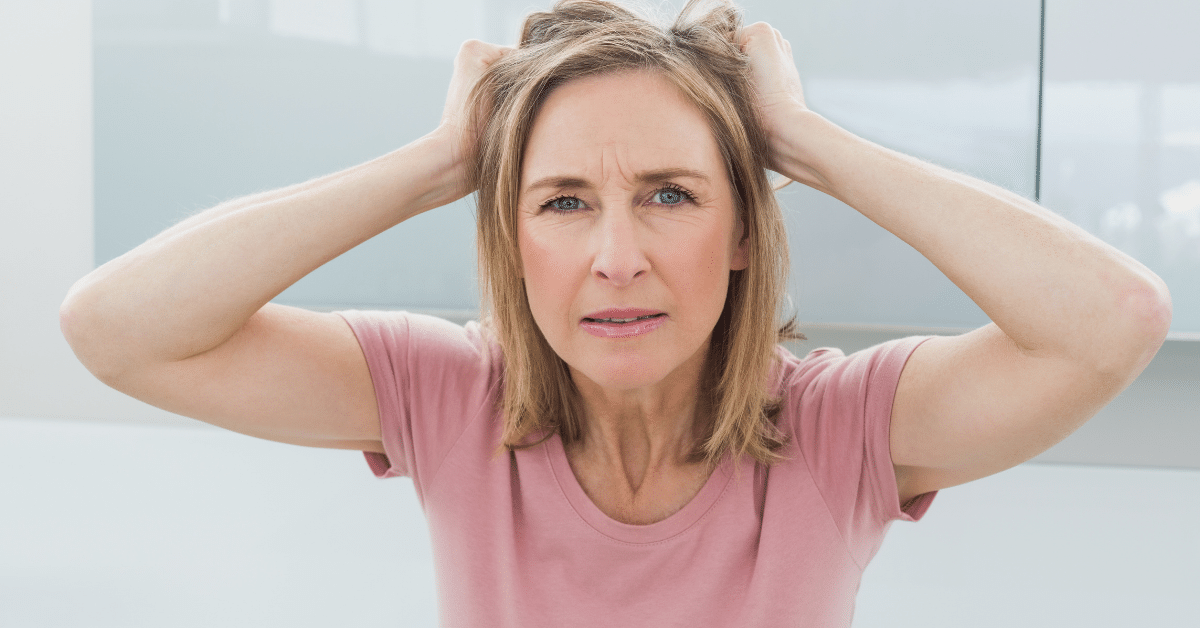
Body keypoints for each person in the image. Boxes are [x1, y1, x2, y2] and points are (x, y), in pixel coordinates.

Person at [60, 0, 1171, 625]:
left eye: (671, 195)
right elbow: (116, 326)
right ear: (512, 237)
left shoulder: (842, 429)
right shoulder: (450, 394)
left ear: (743, 233)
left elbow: (1113, 316)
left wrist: (802, 141)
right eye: (563, 202)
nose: (618, 258)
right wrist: (438, 160)